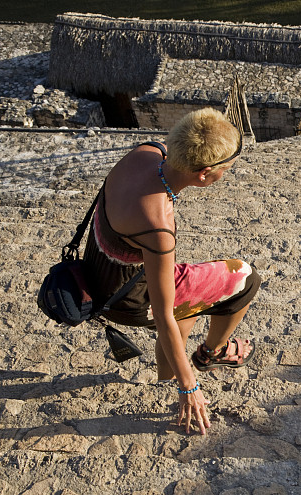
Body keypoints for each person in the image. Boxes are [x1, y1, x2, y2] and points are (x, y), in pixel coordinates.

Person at [83, 108, 260, 435]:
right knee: (245, 279)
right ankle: (212, 352)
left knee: (188, 300)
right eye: (227, 169)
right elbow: (163, 313)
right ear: (205, 174)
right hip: (127, 299)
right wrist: (189, 387)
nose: (227, 173)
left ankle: (164, 378)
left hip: (96, 272)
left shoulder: (145, 153)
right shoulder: (158, 226)